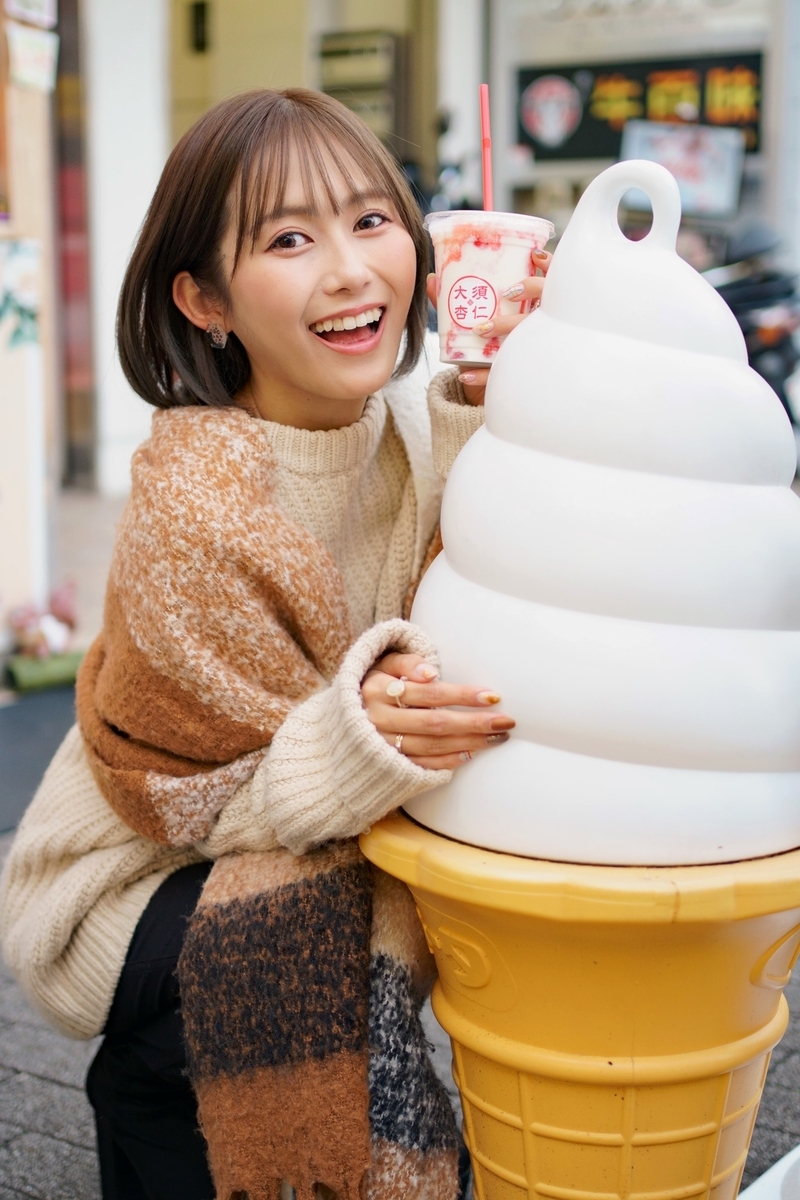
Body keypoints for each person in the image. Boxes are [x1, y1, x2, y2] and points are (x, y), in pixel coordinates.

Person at [0, 89, 549, 1200]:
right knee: (307, 951)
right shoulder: (194, 509)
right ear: (204, 299)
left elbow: (491, 607)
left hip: (310, 842)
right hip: (134, 878)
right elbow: (197, 798)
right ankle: (157, 1092)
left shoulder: (415, 424)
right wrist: (359, 737)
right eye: (289, 240)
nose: (349, 271)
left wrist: (509, 412)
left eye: (371, 220)